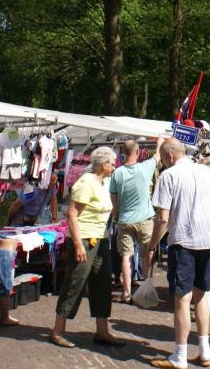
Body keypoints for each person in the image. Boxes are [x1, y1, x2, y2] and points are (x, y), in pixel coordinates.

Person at [149, 139, 210, 369]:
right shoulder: (209, 173)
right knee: (202, 295)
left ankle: (180, 355)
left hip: (183, 242)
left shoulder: (169, 176)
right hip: (207, 241)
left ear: (170, 156)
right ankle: (204, 350)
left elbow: (162, 217)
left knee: (182, 299)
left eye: (163, 159)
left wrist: (152, 245)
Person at [50, 146, 125, 349]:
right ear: (103, 164)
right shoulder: (86, 182)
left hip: (100, 239)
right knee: (75, 282)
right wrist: (77, 244)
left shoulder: (105, 182)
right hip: (83, 238)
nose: (114, 167)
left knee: (102, 284)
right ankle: (57, 331)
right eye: (112, 163)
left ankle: (102, 331)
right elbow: (72, 214)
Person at [110, 135, 165, 303]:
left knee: (126, 256)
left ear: (122, 152)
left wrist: (116, 214)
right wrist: (159, 142)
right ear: (137, 152)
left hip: (125, 220)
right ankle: (146, 291)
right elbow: (157, 156)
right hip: (144, 219)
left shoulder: (117, 173)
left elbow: (113, 198)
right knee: (147, 254)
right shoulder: (145, 167)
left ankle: (126, 293)